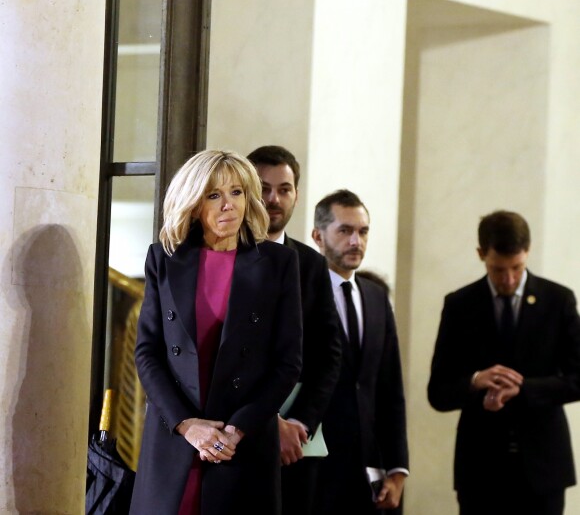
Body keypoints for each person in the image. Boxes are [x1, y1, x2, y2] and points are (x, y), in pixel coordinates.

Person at [129, 150, 303, 515]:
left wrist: (236, 430)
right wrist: (186, 425)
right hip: (176, 440)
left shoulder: (278, 263)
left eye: (237, 193)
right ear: (193, 205)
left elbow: (287, 362)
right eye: (214, 195)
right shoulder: (163, 259)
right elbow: (148, 352)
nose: (229, 205)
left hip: (243, 445)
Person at [428, 210, 580, 515]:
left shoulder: (558, 300)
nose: (509, 279)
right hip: (480, 470)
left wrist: (524, 390)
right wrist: (474, 381)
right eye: (498, 269)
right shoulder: (459, 305)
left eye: (517, 267)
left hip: (544, 468)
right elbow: (438, 393)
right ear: (481, 254)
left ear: (528, 252)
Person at [247, 145, 342, 515]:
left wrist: (299, 424)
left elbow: (328, 355)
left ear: (296, 195)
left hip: (298, 445)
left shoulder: (312, 265)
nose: (274, 199)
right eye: (263, 188)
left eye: (284, 189)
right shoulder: (223, 256)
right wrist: (268, 424)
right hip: (235, 435)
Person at [311, 189, 409, 514]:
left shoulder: (376, 298)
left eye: (363, 231)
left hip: (372, 471)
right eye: (345, 231)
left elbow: (390, 389)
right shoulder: (301, 294)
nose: (356, 241)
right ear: (318, 236)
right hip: (315, 467)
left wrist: (397, 468)